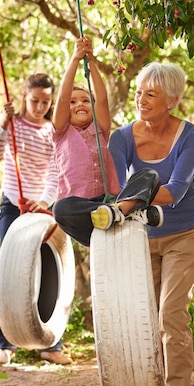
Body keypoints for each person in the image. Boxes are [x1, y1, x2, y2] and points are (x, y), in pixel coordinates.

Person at [55, 61, 194, 386]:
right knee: (146, 318)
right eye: (139, 92)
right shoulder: (122, 137)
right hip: (140, 237)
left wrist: (128, 204)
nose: (141, 100)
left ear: (171, 100)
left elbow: (177, 189)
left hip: (183, 233)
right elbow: (113, 183)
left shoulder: (190, 136)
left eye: (150, 94)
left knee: (171, 314)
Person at [0, 73, 72, 366]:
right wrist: (2, 123)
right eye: (35, 100)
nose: (40, 106)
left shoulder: (52, 131)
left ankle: (51, 344)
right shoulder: (12, 125)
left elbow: (55, 173)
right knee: (11, 273)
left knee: (48, 265)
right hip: (13, 203)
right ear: (25, 97)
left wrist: (44, 202)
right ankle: (5, 344)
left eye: (46, 101)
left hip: (40, 207)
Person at [52, 36, 162, 245]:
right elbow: (62, 99)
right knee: (60, 209)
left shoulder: (100, 130)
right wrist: (75, 59)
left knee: (149, 175)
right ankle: (133, 214)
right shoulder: (61, 133)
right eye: (73, 102)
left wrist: (91, 60)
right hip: (84, 212)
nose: (79, 104)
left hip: (111, 202)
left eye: (86, 100)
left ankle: (120, 212)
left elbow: (102, 99)